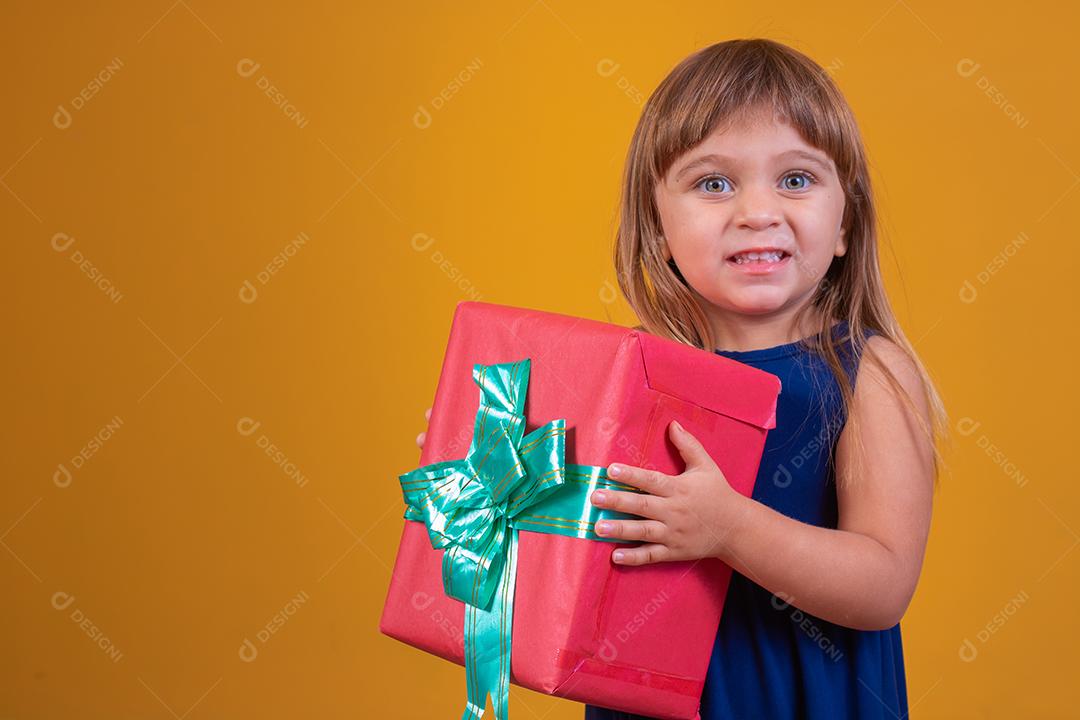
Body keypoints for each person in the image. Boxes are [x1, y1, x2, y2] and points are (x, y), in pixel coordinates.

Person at [416, 38, 947, 720]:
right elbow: (561, 541)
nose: (757, 211)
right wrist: (485, 473)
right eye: (714, 184)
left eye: (796, 179)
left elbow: (884, 585)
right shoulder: (625, 374)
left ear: (845, 223)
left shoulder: (866, 371)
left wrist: (730, 528)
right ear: (658, 227)